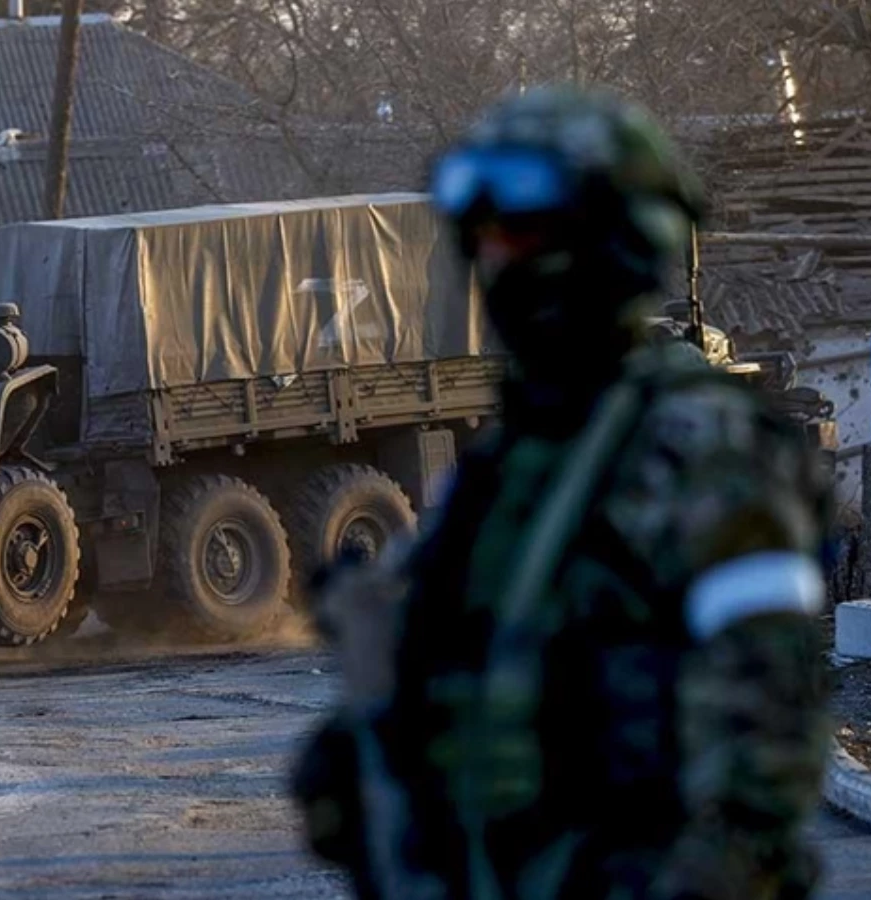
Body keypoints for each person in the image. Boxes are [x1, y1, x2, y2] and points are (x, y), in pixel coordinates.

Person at [291, 84, 833, 900]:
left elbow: (764, 760)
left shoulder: (702, 449)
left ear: (615, 238)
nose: (497, 259)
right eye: (481, 235)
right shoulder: (516, 465)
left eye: (521, 229)